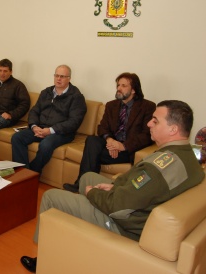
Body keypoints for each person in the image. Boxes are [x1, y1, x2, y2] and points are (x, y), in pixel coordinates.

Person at [20, 100, 205, 273]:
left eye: (155, 121)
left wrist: (93, 195)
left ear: (173, 129)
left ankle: (42, 258)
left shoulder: (159, 169)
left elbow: (119, 205)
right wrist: (114, 185)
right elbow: (139, 187)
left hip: (125, 224)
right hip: (137, 208)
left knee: (51, 196)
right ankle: (81, 230)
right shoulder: (189, 156)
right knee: (88, 177)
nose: (149, 124)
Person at [63, 72, 156, 193]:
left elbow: (147, 135)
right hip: (110, 146)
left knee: (92, 153)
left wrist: (122, 146)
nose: (119, 88)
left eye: (123, 86)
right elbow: (102, 128)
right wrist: (110, 141)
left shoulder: (147, 107)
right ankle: (86, 186)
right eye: (118, 85)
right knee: (92, 140)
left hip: (128, 150)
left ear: (133, 90)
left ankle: (82, 184)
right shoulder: (112, 105)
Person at [11, 65, 86, 173]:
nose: (58, 79)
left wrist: (50, 130)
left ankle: (31, 173)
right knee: (17, 138)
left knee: (46, 144)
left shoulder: (76, 96)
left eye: (62, 76)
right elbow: (34, 111)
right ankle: (23, 173)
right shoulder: (46, 92)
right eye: (56, 75)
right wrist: (34, 126)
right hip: (40, 127)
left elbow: (74, 122)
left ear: (69, 78)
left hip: (61, 132)